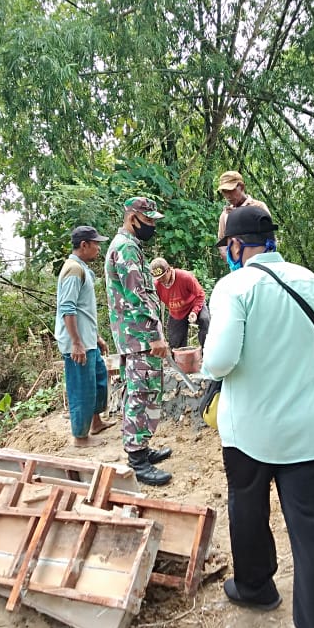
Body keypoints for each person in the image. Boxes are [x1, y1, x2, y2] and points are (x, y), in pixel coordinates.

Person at [203, 205, 314, 628]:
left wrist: (207, 366)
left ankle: (255, 587)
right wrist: (307, 382)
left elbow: (221, 359)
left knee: (247, 508)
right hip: (309, 434)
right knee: (313, 539)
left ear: (235, 246)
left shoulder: (235, 287)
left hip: (248, 431)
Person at [105, 197, 173, 486]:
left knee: (145, 391)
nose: (153, 226)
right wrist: (155, 334)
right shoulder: (125, 248)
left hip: (137, 336)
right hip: (139, 337)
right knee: (139, 394)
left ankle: (142, 448)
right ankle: (137, 460)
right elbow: (138, 297)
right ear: (133, 218)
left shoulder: (129, 246)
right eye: (149, 221)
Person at [55, 226, 116, 447]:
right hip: (77, 343)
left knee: (98, 381)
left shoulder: (81, 269)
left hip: (87, 339)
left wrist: (96, 337)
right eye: (96, 244)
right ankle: (80, 438)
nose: (99, 248)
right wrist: (77, 343)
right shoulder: (73, 270)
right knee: (81, 388)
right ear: (84, 245)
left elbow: (83, 310)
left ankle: (96, 422)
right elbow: (68, 309)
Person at [149, 257, 210, 351]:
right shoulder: (157, 285)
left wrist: (195, 311)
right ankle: (180, 362)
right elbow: (154, 305)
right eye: (158, 278)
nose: (161, 280)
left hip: (194, 304)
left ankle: (207, 353)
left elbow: (200, 295)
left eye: (163, 277)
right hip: (176, 312)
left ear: (169, 270)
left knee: (204, 320)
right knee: (175, 342)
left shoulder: (185, 277)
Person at [216, 171, 270, 258]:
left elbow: (269, 237)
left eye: (231, 190)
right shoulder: (225, 215)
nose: (228, 196)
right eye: (224, 192)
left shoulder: (258, 207)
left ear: (241, 187)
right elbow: (222, 243)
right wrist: (232, 262)